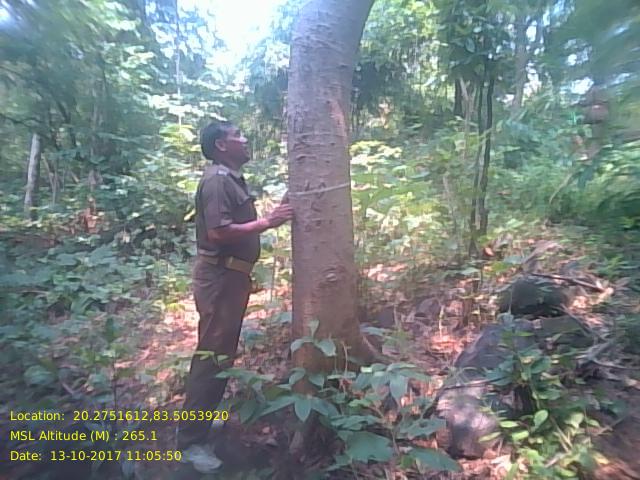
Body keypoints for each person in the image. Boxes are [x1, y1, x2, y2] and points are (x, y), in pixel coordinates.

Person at [178, 120, 293, 473]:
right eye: (237, 136)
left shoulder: (230, 179)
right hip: (220, 277)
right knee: (211, 355)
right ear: (221, 145)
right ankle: (190, 442)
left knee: (221, 354)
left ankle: (201, 421)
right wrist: (267, 223)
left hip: (232, 277)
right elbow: (218, 232)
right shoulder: (216, 181)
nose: (244, 140)